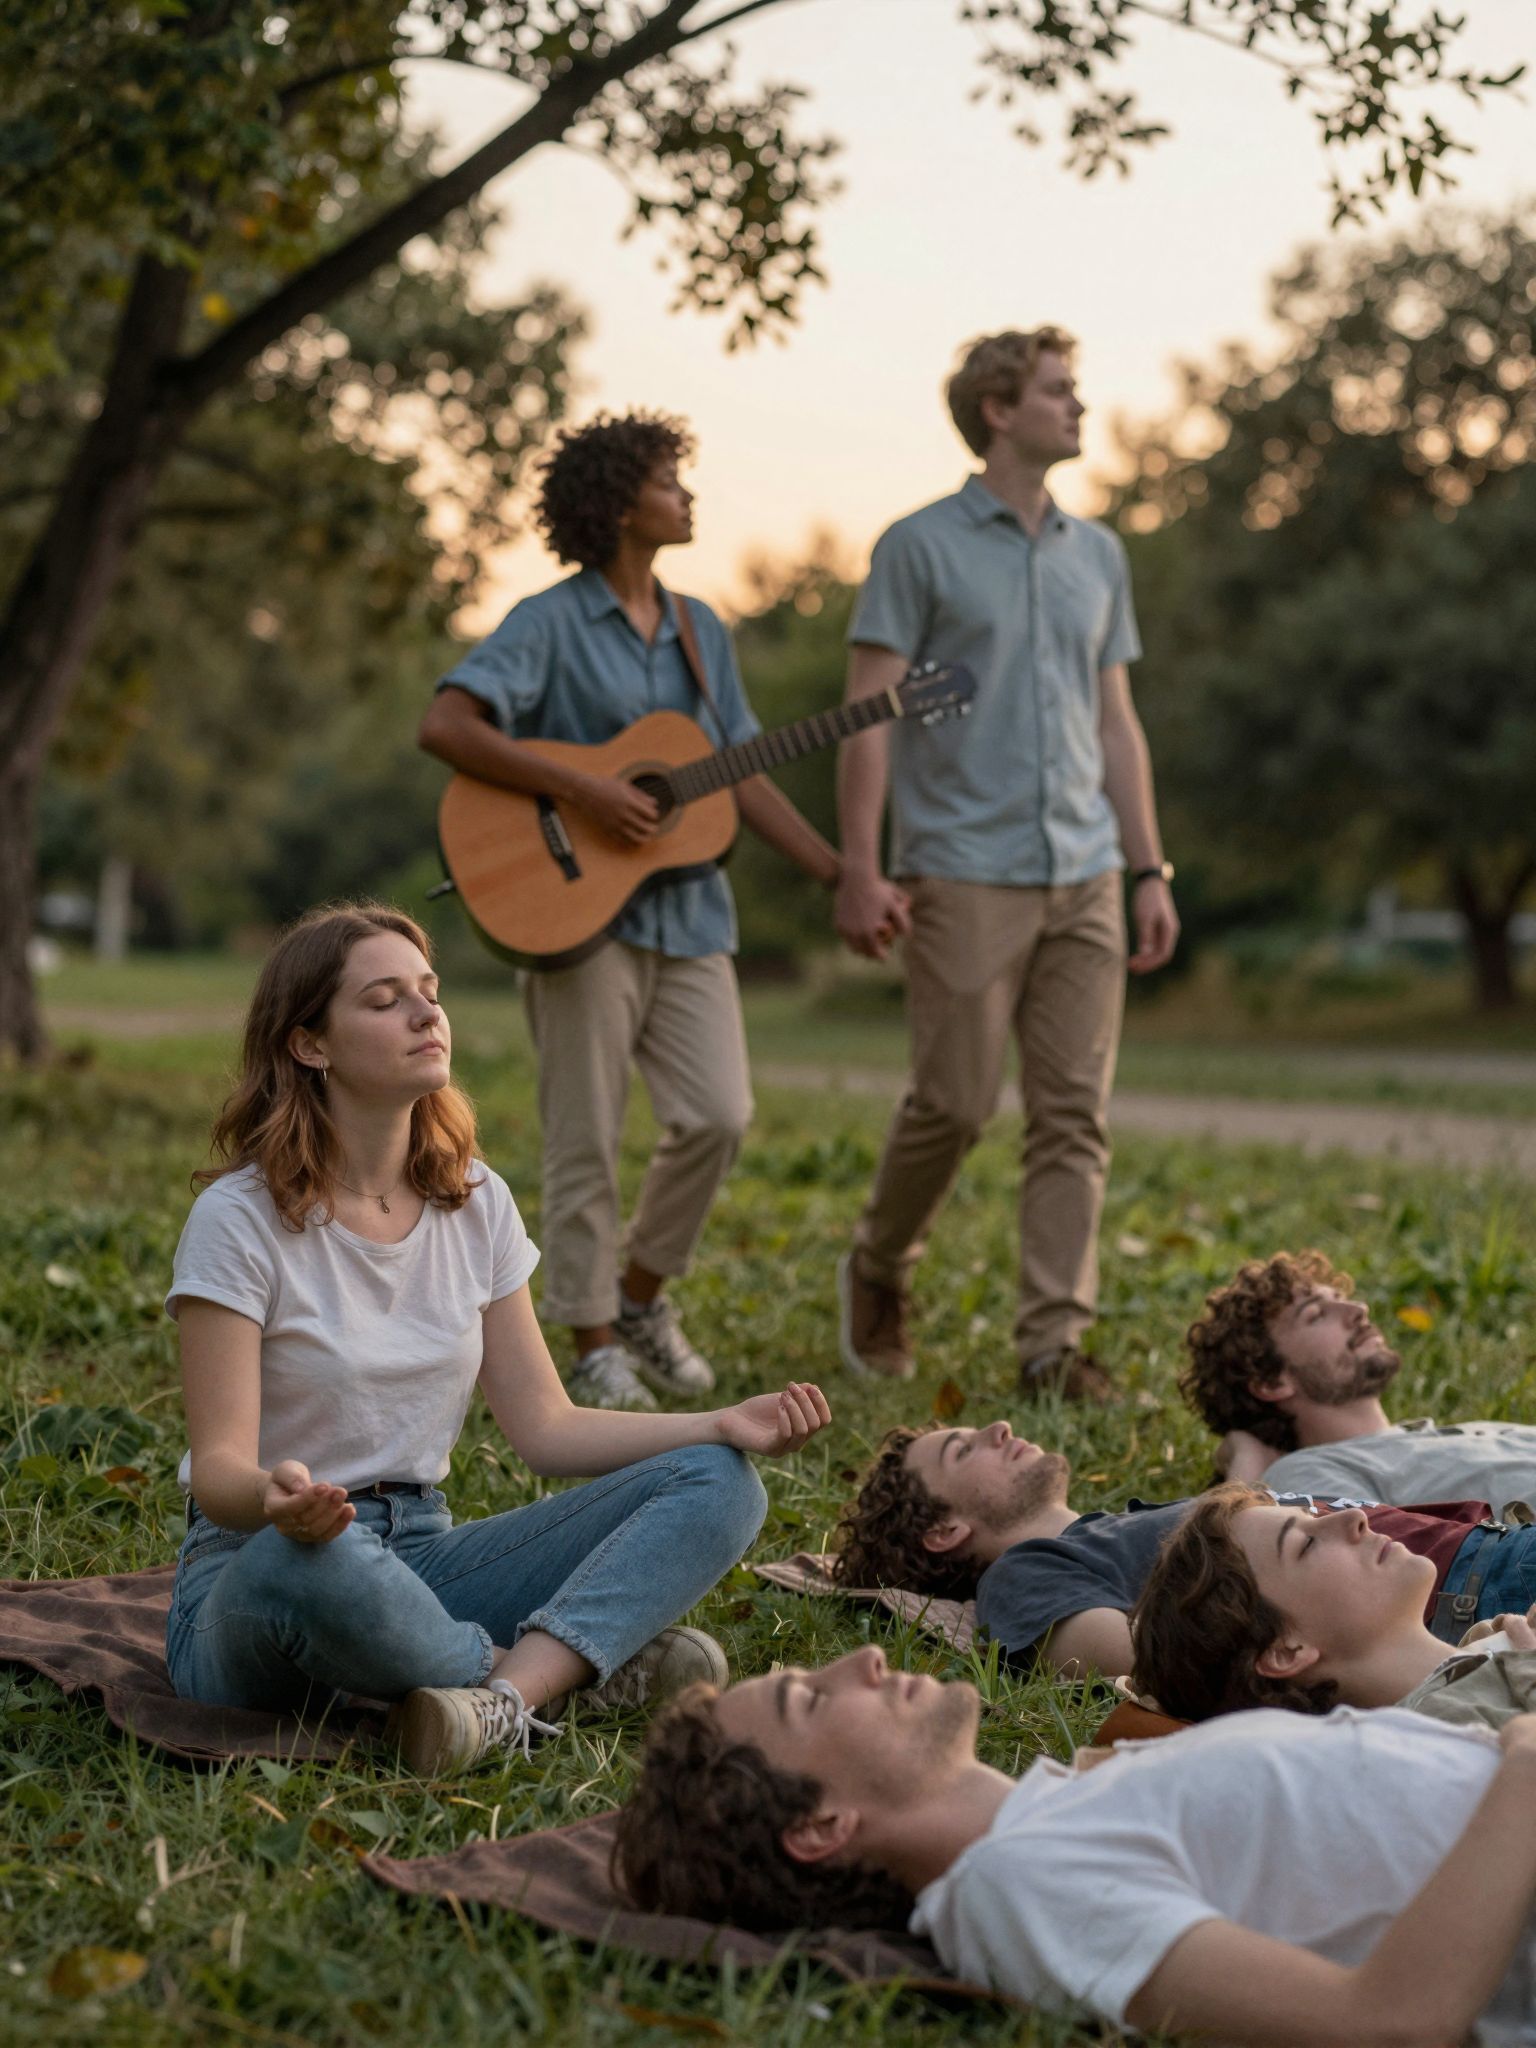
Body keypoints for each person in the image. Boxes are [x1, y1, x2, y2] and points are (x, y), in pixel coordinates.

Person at [164, 902, 831, 1777]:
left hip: (424, 1551)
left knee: (722, 1484)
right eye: (384, 999)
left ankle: (496, 1702)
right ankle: (564, 1677)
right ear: (309, 1045)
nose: (425, 1013)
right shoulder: (238, 1220)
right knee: (313, 1566)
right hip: (264, 1567)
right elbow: (217, 1475)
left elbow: (547, 1428)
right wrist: (278, 1503)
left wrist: (716, 1424)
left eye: (429, 992)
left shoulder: (475, 1200)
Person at [420, 411, 841, 1412]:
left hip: (691, 911)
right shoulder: (549, 622)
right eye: (668, 479)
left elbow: (737, 769)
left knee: (719, 1115)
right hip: (572, 913)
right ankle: (594, 1340)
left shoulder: (703, 631)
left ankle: (641, 1294)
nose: (687, 496)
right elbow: (448, 723)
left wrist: (838, 870)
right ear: (617, 504)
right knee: (587, 1134)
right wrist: (583, 790)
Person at [832, 326, 1179, 1403]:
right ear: (998, 408)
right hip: (962, 866)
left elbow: (1116, 722)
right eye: (1059, 391)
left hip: (1083, 867)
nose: (1078, 406)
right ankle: (879, 1265)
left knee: (1074, 1112)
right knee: (957, 1099)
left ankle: (1051, 1346)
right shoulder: (918, 547)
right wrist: (860, 865)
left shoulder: (1098, 554)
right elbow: (867, 716)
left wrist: (1149, 864)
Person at [614, 1644, 1536, 2045]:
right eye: (812, 1699)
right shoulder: (1021, 1884)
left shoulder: (1068, 1808)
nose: (862, 1662)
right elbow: (1385, 2025)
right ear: (820, 1827)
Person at [833, 1417, 1510, 1678]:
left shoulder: (1105, 1532)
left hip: (1481, 1559)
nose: (999, 1428)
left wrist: (1248, 1471)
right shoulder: (1025, 1574)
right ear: (946, 1531)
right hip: (1473, 1594)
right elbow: (1150, 1658)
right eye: (965, 1448)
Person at [1131, 1480, 1536, 1732]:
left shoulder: (1499, 1656)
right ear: (1285, 1650)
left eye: (1313, 1517)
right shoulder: (1440, 1736)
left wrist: (1482, 1652)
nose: (1355, 1517)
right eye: (1306, 1543)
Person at [1183, 1249, 1536, 1507]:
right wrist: (1246, 1467)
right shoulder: (1309, 1473)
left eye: (1341, 1298)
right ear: (1272, 1382)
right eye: (1317, 1314)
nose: (1357, 1310)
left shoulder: (1452, 1434)